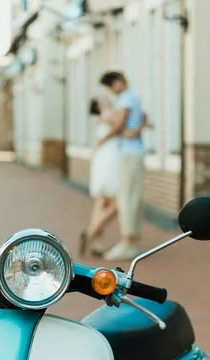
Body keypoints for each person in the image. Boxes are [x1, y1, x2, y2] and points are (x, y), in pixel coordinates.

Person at [98, 71, 151, 261]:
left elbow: (120, 124)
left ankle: (128, 242)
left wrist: (106, 119)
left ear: (119, 82)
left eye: (111, 86)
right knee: (131, 197)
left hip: (130, 153)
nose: (112, 91)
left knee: (126, 198)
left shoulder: (127, 98)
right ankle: (131, 240)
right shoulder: (131, 97)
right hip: (132, 152)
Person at [80, 98, 120, 257]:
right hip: (110, 159)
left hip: (101, 158)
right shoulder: (108, 114)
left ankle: (97, 243)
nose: (107, 100)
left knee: (100, 202)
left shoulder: (99, 118)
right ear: (99, 105)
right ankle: (91, 232)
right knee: (115, 203)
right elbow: (119, 125)